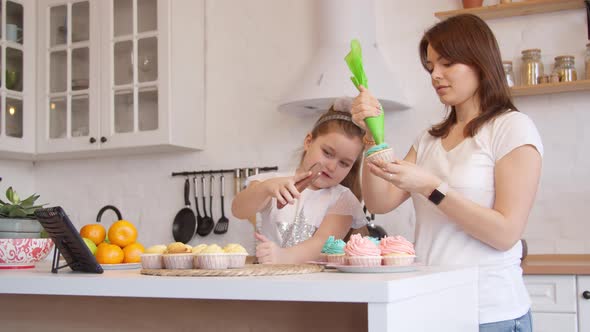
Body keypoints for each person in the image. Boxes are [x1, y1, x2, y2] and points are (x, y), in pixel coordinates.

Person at [351, 14, 542, 331]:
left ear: (480, 62)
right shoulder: (429, 139)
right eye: (430, 67)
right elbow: (379, 200)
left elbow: (506, 233)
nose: (435, 75)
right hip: (433, 307)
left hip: (490, 314)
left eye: (447, 63)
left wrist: (431, 187)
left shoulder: (512, 128)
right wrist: (370, 133)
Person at [232, 98, 368, 264]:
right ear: (308, 142)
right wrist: (265, 188)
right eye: (327, 153)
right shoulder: (271, 182)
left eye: (344, 163)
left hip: (315, 284)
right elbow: (239, 210)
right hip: (266, 279)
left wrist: (283, 256)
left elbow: (322, 243)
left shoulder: (343, 199)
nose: (332, 167)